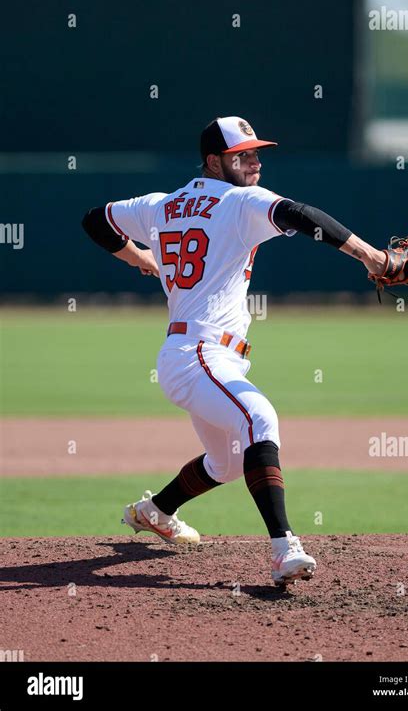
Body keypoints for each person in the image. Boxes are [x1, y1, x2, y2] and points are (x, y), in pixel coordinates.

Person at [82, 116, 386, 586]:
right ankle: (285, 548)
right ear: (214, 161)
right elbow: (301, 215)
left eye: (257, 153)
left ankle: (155, 511)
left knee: (224, 462)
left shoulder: (160, 205)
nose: (256, 162)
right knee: (259, 418)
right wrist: (374, 257)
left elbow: (95, 220)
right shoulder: (240, 200)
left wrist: (141, 258)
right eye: (243, 155)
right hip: (199, 353)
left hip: (193, 353)